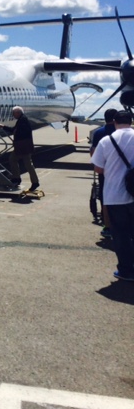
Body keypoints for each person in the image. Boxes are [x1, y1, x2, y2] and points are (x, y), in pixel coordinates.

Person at [91, 109, 134, 282]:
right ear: (131, 121)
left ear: (115, 122)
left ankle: (126, 271)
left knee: (121, 235)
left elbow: (98, 167)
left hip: (116, 195)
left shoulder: (106, 141)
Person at [0, 106, 39, 190]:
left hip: (24, 147)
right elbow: (14, 130)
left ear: (18, 113)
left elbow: (20, 132)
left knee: (28, 165)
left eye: (14, 113)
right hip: (20, 147)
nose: (13, 115)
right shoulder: (21, 119)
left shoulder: (23, 120)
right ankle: (16, 178)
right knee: (12, 159)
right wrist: (3, 126)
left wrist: (16, 134)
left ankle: (35, 182)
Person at [90, 108, 117, 238]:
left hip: (105, 172)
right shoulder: (124, 132)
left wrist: (98, 167)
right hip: (124, 172)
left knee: (106, 197)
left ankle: (107, 226)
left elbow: (93, 154)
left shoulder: (98, 133)